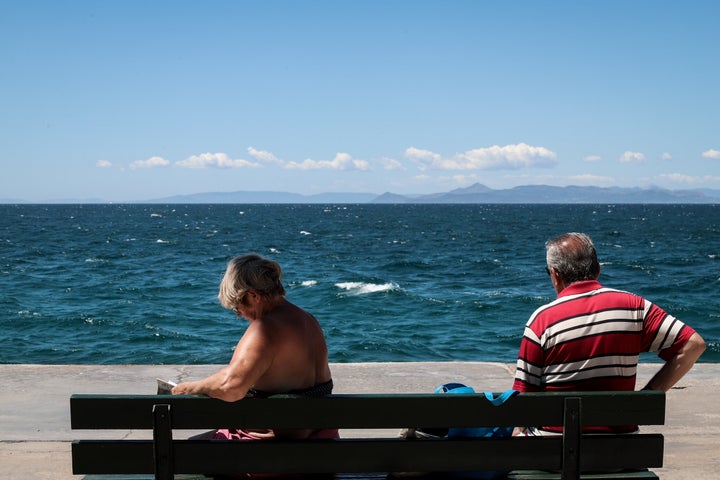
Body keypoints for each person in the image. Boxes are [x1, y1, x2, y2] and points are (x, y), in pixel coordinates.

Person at [513, 232, 706, 435]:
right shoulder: (635, 307)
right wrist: (648, 395)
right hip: (619, 454)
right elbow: (694, 345)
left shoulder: (541, 321)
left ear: (555, 274)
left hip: (554, 458)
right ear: (597, 269)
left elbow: (523, 404)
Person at [172, 253, 337, 440]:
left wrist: (188, 388)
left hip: (274, 458)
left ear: (253, 296)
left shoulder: (265, 329)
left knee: (186, 450)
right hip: (324, 449)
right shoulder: (309, 321)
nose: (239, 315)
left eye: (237, 307)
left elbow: (230, 386)